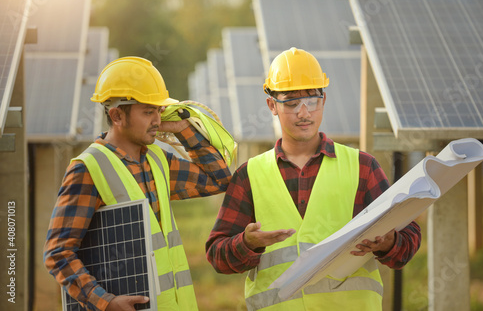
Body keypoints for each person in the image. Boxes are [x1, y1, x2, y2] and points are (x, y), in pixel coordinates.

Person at [205, 47, 421, 310]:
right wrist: (247, 243)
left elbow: (408, 238)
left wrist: (389, 242)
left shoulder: (362, 167)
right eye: (291, 102)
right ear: (272, 105)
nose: (304, 113)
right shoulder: (249, 175)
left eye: (312, 100)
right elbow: (218, 256)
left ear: (324, 100)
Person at [44, 57, 232, 311]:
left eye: (158, 110)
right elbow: (58, 253)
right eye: (148, 111)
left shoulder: (157, 160)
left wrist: (183, 129)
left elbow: (217, 179)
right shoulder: (88, 169)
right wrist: (106, 303)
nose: (157, 119)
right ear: (117, 115)